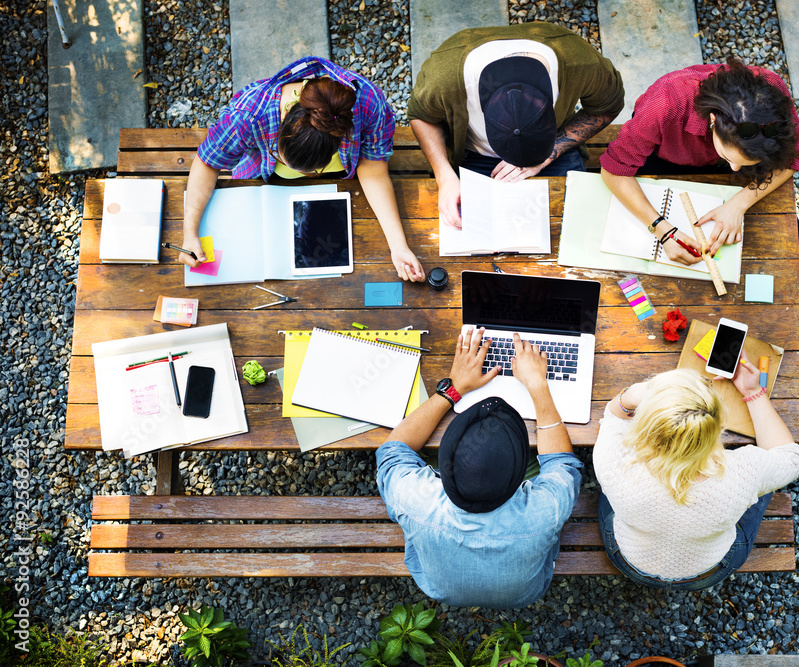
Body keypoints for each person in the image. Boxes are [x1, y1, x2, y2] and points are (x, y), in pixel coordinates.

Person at [376, 328, 583, 608]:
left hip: (439, 588)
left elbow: (393, 451)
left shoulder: (415, 498)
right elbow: (562, 464)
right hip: (523, 594)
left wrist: (453, 389)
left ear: (442, 468)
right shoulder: (545, 510)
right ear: (521, 474)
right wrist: (537, 385)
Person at [180, 56, 425, 282]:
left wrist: (398, 246)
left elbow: (373, 171)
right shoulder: (249, 114)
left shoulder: (369, 104)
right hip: (263, 182)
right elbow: (208, 162)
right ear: (286, 114)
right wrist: (190, 232)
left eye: (314, 171)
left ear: (340, 139)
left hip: (344, 188)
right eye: (279, 156)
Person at [593, 362, 799, 591]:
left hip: (629, 561)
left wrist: (634, 393)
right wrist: (753, 392)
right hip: (709, 570)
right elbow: (789, 458)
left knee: (608, 492)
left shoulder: (616, 464)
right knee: (762, 482)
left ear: (645, 426)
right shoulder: (745, 470)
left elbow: (613, 417)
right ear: (716, 427)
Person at [407, 22, 625, 228]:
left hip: (553, 149)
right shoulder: (446, 78)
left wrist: (549, 154)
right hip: (476, 156)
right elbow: (421, 115)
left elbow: (608, 105)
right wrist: (444, 176)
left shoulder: (578, 62)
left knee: (580, 227)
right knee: (467, 230)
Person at [600, 57, 799, 261]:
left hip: (725, 168)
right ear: (713, 120)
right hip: (666, 158)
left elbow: (792, 157)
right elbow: (613, 171)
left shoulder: (770, 92)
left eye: (743, 162)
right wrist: (662, 230)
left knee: (798, 247)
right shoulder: (664, 104)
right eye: (729, 156)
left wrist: (738, 204)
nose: (735, 169)